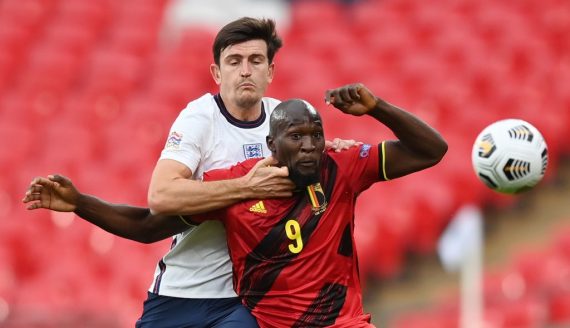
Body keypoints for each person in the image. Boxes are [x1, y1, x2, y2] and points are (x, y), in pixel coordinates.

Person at [22, 17, 357, 328]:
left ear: (270, 71)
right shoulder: (199, 119)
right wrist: (247, 186)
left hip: (248, 301)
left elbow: (324, 167)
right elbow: (160, 199)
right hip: (183, 291)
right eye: (234, 61)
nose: (245, 71)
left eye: (255, 61)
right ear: (216, 72)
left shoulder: (286, 123)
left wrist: (331, 148)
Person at [24, 84, 448, 327]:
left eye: (315, 135)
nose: (309, 146)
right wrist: (80, 203)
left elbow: (431, 150)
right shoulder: (236, 187)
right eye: (295, 137)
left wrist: (378, 108)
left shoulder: (342, 167)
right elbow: (148, 225)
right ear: (271, 144)